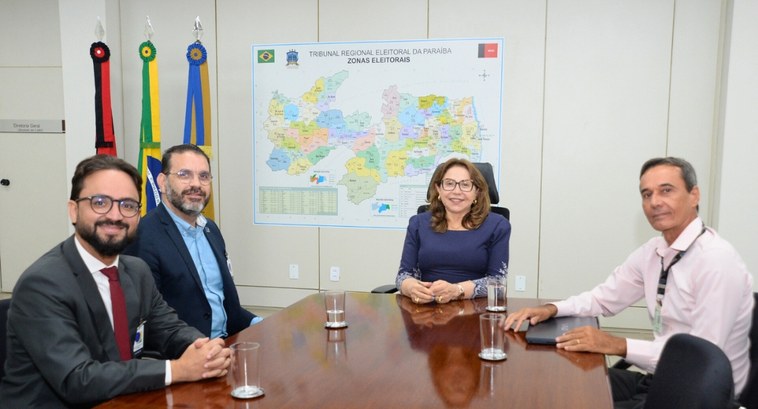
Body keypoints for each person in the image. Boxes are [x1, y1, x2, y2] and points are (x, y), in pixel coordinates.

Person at [503, 157, 753, 409]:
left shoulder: (717, 262)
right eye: (647, 194)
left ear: (694, 195)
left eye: (666, 190)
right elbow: (602, 298)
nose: (655, 202)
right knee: (557, 387)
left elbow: (699, 362)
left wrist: (616, 345)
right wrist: (552, 309)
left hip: (702, 396)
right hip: (662, 378)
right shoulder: (654, 251)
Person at [0, 155, 231, 408]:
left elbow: (170, 329)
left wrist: (204, 350)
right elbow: (78, 379)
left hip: (123, 399)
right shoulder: (42, 284)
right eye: (100, 202)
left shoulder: (136, 270)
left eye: (128, 205)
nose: (115, 215)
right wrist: (177, 370)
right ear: (74, 211)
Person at [124, 144, 259, 338]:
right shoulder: (143, 236)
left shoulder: (210, 229)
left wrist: (263, 324)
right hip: (185, 356)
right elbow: (147, 318)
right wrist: (202, 349)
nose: (196, 184)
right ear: (162, 182)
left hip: (226, 346)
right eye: (184, 174)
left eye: (203, 176)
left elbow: (227, 307)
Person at [396, 158, 511, 304]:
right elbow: (403, 276)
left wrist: (457, 290)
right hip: (426, 308)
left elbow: (498, 284)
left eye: (465, 185)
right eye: (449, 184)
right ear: (438, 188)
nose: (456, 191)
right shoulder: (418, 223)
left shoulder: (497, 225)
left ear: (477, 191)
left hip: (475, 312)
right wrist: (411, 287)